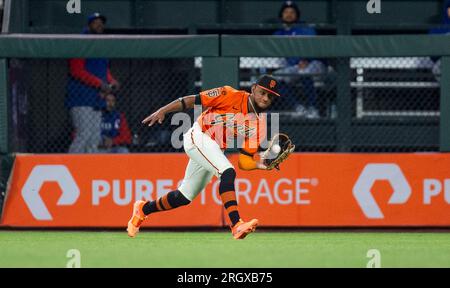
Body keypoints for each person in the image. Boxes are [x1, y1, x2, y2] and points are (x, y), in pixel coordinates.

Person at [127, 75, 281, 240]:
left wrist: (262, 164)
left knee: (184, 196)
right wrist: (163, 110)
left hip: (213, 149)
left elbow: (244, 161)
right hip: (198, 136)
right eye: (262, 92)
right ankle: (237, 224)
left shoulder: (259, 125)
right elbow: (191, 100)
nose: (265, 98)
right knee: (227, 171)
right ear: (253, 89)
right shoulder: (229, 94)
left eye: (270, 96)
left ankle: (143, 209)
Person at [66, 12, 120, 153]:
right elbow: (76, 70)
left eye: (101, 22)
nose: (99, 24)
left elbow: (103, 69)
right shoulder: (81, 41)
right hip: (81, 98)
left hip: (96, 100)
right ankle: (70, 165)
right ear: (89, 25)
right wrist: (99, 83)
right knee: (84, 135)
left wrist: (111, 81)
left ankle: (88, 172)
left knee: (95, 138)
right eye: (95, 22)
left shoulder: (101, 43)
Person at [272, 1, 325, 118]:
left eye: (292, 12)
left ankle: (313, 108)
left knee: (304, 72)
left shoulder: (306, 29)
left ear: (297, 15)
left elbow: (316, 48)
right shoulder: (278, 33)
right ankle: (298, 108)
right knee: (273, 81)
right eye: (286, 12)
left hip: (314, 64)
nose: (289, 14)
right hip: (293, 67)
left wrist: (306, 59)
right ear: (281, 15)